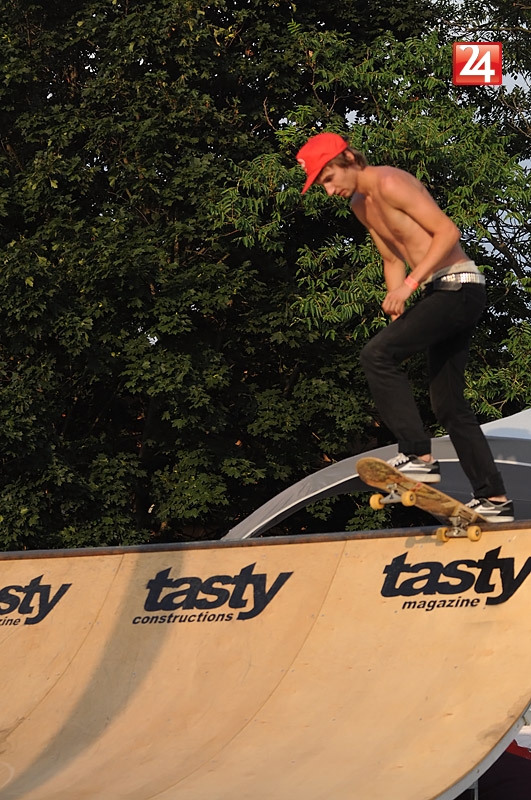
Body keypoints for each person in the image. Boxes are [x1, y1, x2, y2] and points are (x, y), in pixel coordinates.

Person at [296, 131, 513, 521]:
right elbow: (392, 257)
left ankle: (417, 455)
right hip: (438, 294)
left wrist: (410, 286)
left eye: (328, 179)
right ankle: (494, 498)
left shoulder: (390, 182)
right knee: (448, 406)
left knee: (376, 355)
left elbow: (447, 232)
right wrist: (397, 305)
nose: (329, 191)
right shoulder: (360, 204)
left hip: (459, 287)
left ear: (348, 160)